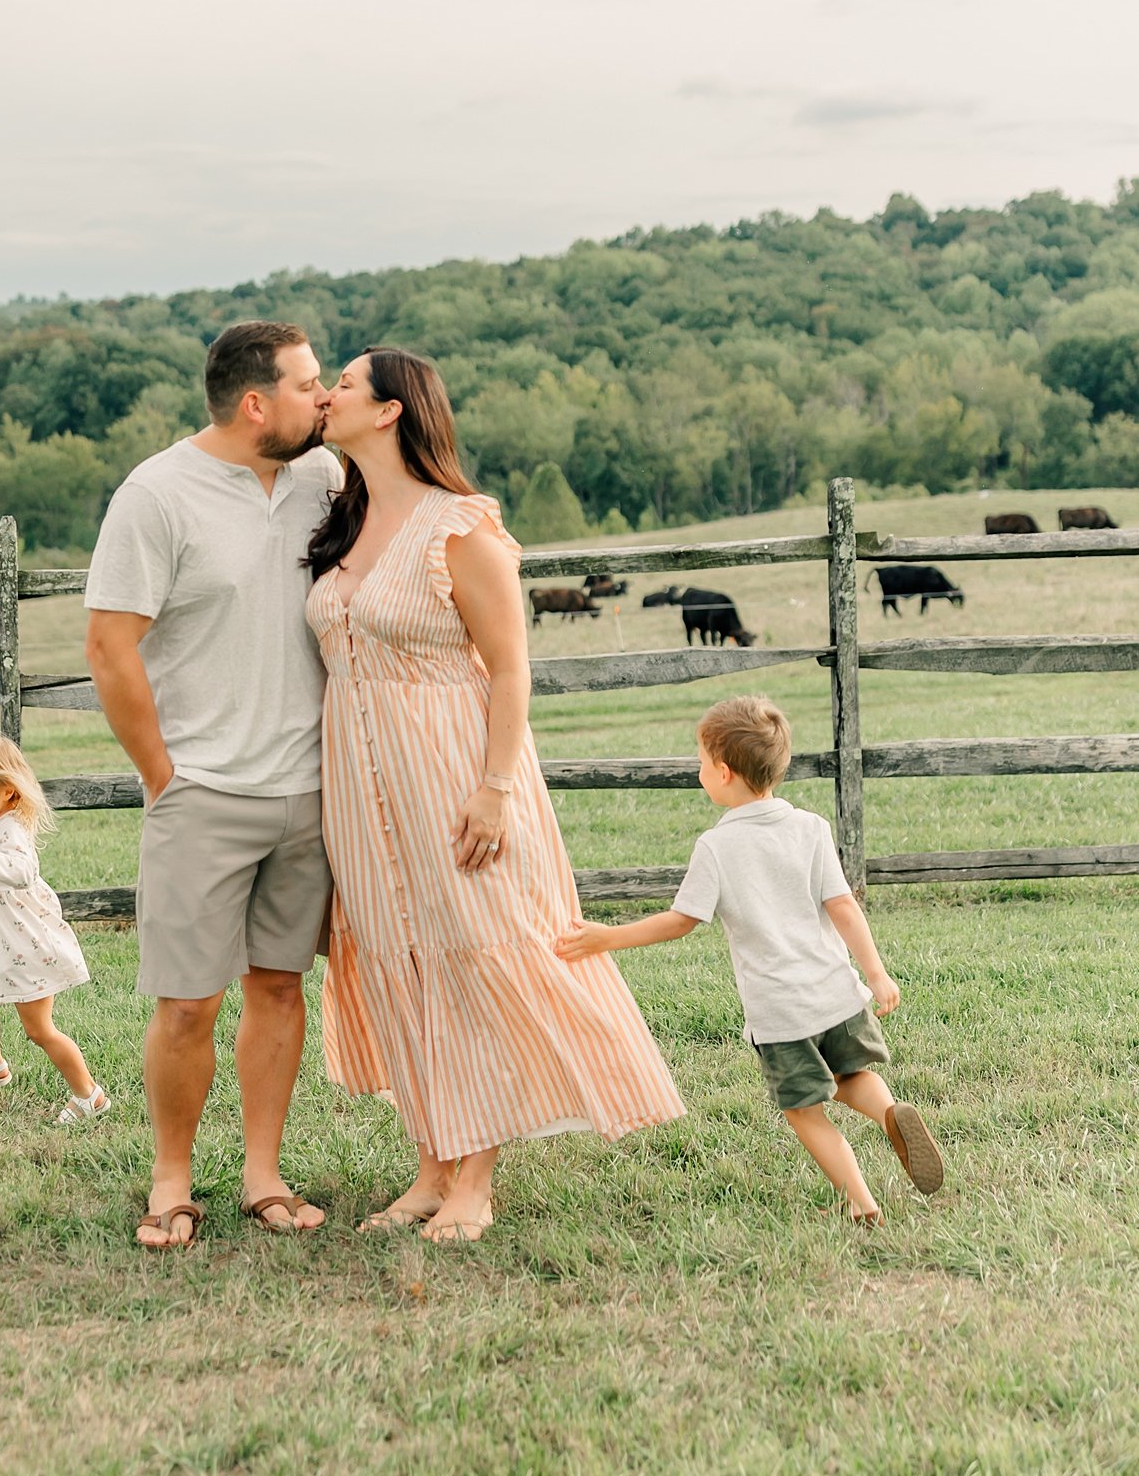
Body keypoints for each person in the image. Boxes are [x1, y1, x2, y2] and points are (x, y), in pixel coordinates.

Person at [306, 346, 685, 1244]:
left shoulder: (461, 528)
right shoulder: (340, 522)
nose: (327, 396)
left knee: (476, 952)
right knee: (400, 959)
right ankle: (433, 1164)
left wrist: (494, 788)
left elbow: (511, 669)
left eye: (346, 386)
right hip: (360, 790)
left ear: (393, 411)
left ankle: (476, 1178)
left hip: (452, 773)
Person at [85, 320, 340, 1251]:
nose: (325, 397)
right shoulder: (157, 495)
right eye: (310, 384)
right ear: (254, 403)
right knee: (189, 999)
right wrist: (165, 775)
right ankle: (171, 1180)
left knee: (280, 988)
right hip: (202, 792)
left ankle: (263, 1175)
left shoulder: (324, 477)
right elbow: (109, 649)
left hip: (311, 792)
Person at [558, 694, 945, 1224]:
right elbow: (844, 906)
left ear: (722, 772)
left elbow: (682, 921)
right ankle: (888, 1112)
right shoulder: (810, 827)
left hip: (780, 1012)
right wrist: (875, 974)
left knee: (805, 1110)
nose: (699, 772)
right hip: (836, 991)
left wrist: (607, 938)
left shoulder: (716, 848)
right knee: (852, 1075)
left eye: (699, 763)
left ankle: (862, 1201)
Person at [0, 724, 109, 1123]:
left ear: (9, 792)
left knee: (38, 1030)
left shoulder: (12, 830)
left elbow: (24, 871)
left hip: (23, 944)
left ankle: (89, 1096)